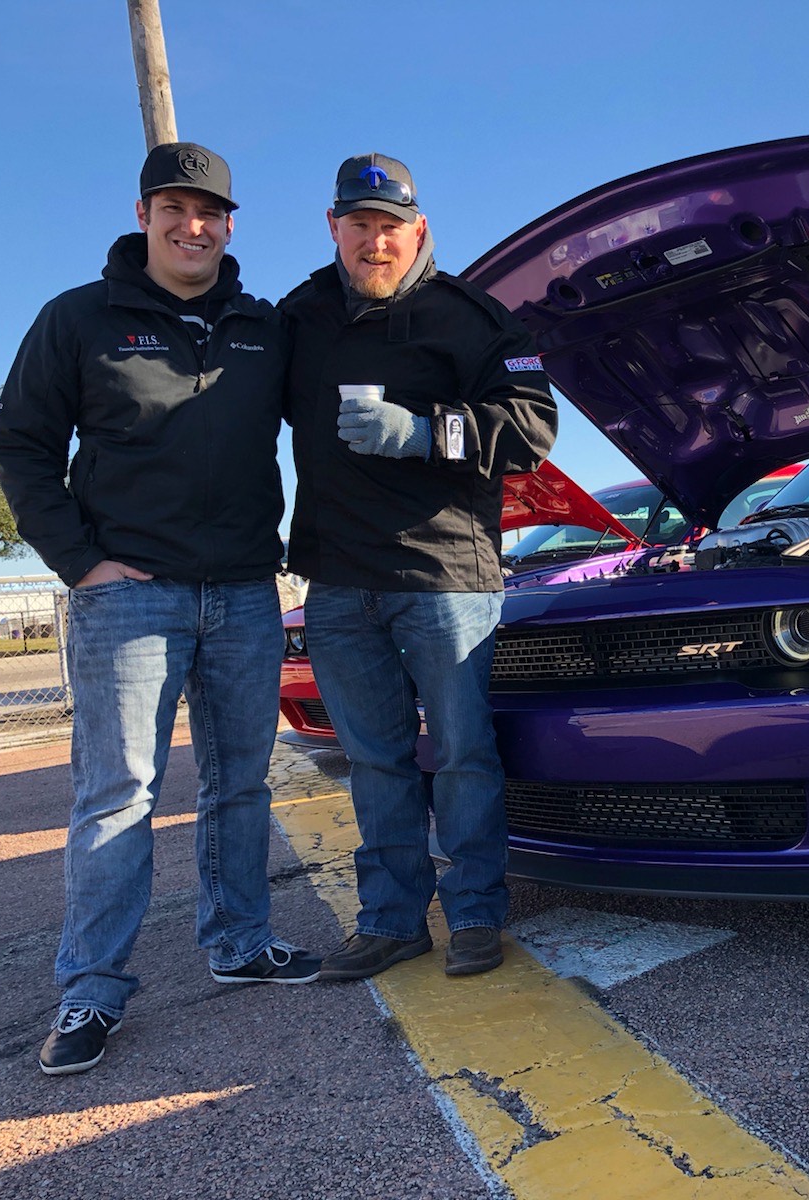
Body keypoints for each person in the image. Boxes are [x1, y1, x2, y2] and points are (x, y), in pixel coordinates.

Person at [0, 141, 319, 1077]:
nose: (193, 226)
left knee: (242, 783)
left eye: (211, 211)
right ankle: (90, 990)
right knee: (118, 796)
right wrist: (79, 562)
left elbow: (334, 423)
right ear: (143, 216)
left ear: (230, 222)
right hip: (129, 599)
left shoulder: (264, 327)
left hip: (248, 595)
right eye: (174, 208)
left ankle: (241, 943)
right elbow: (21, 439)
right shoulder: (82, 318)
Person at [281, 154, 558, 982]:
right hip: (336, 580)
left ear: (420, 229)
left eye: (390, 227)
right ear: (333, 227)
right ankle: (392, 921)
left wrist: (423, 430)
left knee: (464, 751)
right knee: (373, 760)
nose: (375, 243)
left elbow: (535, 426)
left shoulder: (470, 318)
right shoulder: (297, 318)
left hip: (446, 576)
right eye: (358, 225)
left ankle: (474, 912)